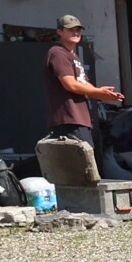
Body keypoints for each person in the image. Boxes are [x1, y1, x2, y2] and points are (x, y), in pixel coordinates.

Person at [42, 14, 126, 176]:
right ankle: (79, 200)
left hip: (79, 118)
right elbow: (70, 84)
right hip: (68, 118)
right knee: (80, 167)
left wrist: (104, 93)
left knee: (88, 163)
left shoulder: (72, 55)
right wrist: (97, 92)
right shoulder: (58, 53)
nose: (75, 33)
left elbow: (83, 83)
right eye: (70, 30)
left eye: (78, 30)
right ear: (59, 31)